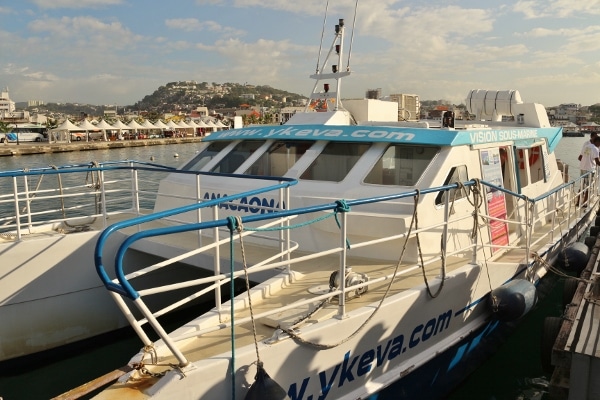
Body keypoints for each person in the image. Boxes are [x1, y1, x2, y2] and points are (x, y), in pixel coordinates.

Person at [577, 135, 600, 206]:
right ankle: (585, 203)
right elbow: (597, 162)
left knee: (581, 186)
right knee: (588, 187)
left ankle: (578, 202)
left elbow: (580, 157)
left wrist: (586, 161)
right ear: (597, 142)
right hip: (590, 170)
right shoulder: (596, 149)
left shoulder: (586, 147)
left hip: (582, 168)